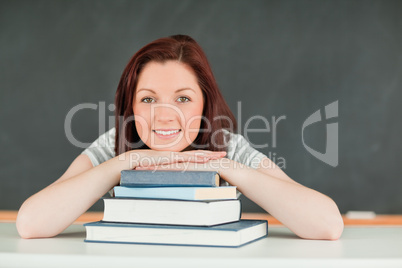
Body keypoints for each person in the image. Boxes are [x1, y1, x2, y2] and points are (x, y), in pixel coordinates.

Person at [16, 35, 343, 240]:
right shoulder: (115, 144)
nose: (164, 115)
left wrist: (227, 167)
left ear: (205, 104)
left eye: (183, 99)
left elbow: (327, 224)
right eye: (147, 99)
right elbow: (31, 224)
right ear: (130, 103)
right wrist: (128, 161)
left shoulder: (226, 145)